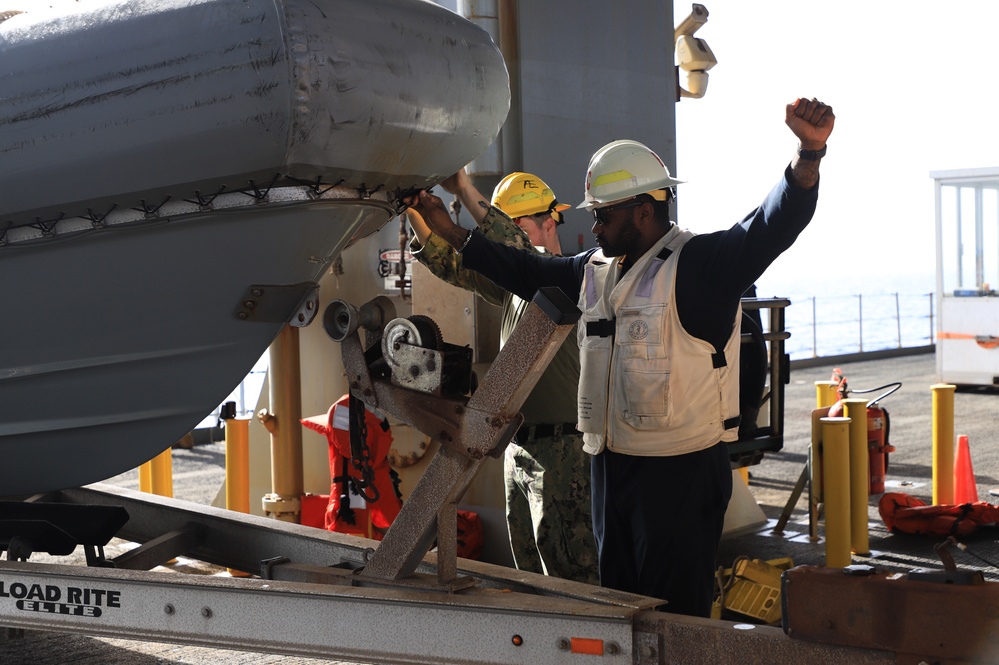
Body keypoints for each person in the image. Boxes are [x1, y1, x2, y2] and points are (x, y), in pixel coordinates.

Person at [405, 97, 835, 616]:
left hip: (681, 473)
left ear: (644, 211)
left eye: (604, 215)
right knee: (620, 610)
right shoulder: (595, 270)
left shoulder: (700, 265)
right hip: (612, 469)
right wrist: (448, 231)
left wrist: (808, 153)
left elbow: (770, 224)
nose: (596, 226)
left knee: (675, 616)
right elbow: (520, 270)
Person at [406, 169, 599, 583]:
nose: (505, 236)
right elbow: (451, 265)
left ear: (550, 223)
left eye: (517, 225)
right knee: (531, 580)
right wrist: (412, 210)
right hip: (519, 452)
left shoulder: (568, 279)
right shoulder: (514, 286)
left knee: (570, 580)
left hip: (562, 453)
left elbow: (510, 249)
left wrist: (462, 190)